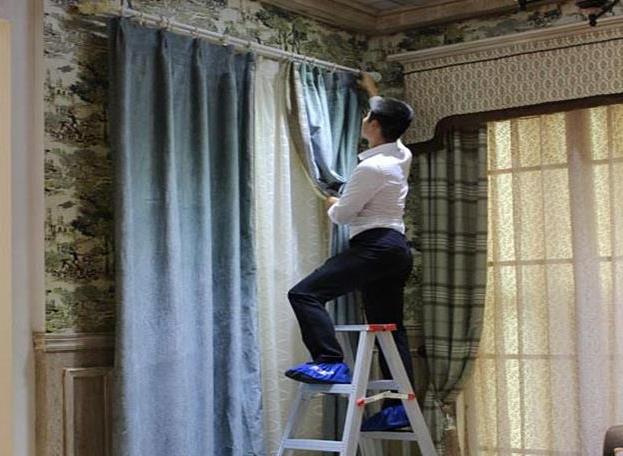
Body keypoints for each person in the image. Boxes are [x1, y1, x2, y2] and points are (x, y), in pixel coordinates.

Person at [284, 73, 417, 431]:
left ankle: (329, 360)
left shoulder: (371, 167)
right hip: (396, 249)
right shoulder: (400, 154)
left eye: (369, 115)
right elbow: (393, 124)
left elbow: (343, 216)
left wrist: (333, 203)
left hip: (374, 246)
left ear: (375, 125)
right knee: (390, 327)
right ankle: (401, 408)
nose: (364, 118)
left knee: (304, 294)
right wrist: (373, 91)